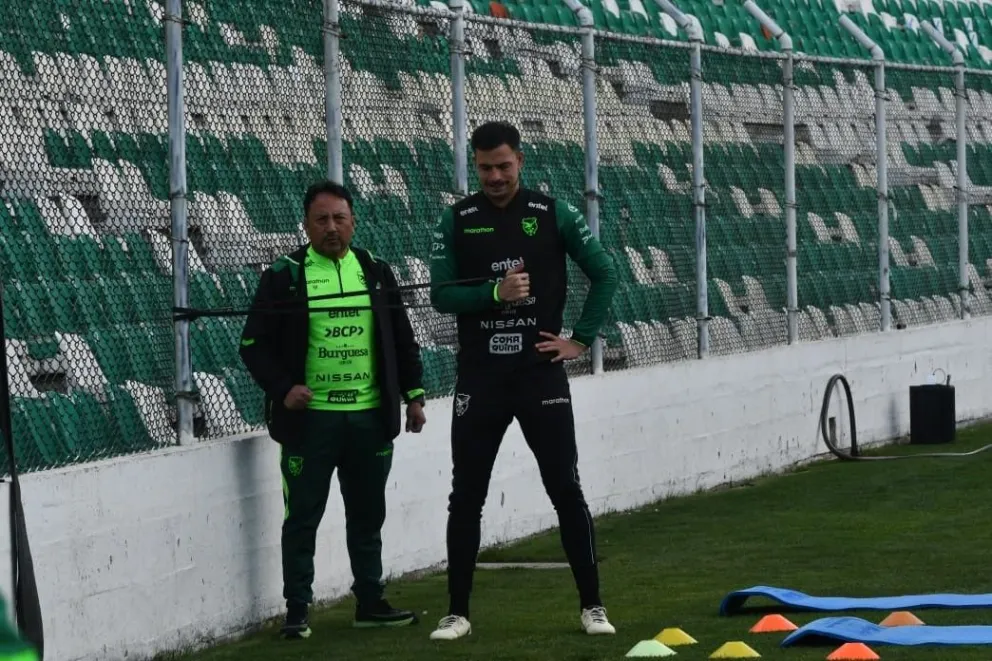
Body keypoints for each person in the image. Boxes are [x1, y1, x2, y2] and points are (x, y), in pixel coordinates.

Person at [426, 121, 619, 640]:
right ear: (475, 164)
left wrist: (579, 339)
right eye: (485, 166)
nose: (494, 176)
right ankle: (457, 612)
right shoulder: (457, 218)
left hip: (539, 375)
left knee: (565, 486)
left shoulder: (553, 213)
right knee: (466, 494)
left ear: (521, 161)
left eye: (503, 166)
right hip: (481, 376)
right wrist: (494, 294)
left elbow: (606, 273)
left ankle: (593, 606)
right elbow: (441, 294)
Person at [239, 180, 428, 640]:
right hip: (311, 424)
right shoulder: (284, 275)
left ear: (353, 222)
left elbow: (401, 339)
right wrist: (284, 388)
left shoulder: (376, 271)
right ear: (305, 225)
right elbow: (252, 344)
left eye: (339, 218)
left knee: (368, 515)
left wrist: (414, 396)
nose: (331, 228)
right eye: (321, 219)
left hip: (368, 419)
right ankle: (297, 611)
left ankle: (370, 601)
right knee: (302, 517)